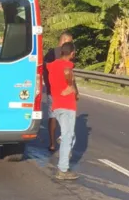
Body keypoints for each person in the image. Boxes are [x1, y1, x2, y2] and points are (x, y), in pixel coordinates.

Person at [46, 42, 79, 180]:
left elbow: (45, 63)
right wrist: (73, 89)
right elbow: (69, 80)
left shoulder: (51, 66)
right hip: (67, 106)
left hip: (57, 105)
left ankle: (61, 143)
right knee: (68, 136)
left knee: (69, 135)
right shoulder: (68, 67)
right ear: (72, 53)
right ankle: (63, 170)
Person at [43, 31, 78, 152]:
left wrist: (49, 86)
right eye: (70, 42)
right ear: (64, 40)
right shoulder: (62, 54)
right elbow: (70, 76)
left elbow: (44, 70)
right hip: (64, 93)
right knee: (67, 116)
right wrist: (75, 91)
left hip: (53, 91)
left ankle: (52, 143)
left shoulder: (50, 54)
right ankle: (63, 138)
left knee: (53, 116)